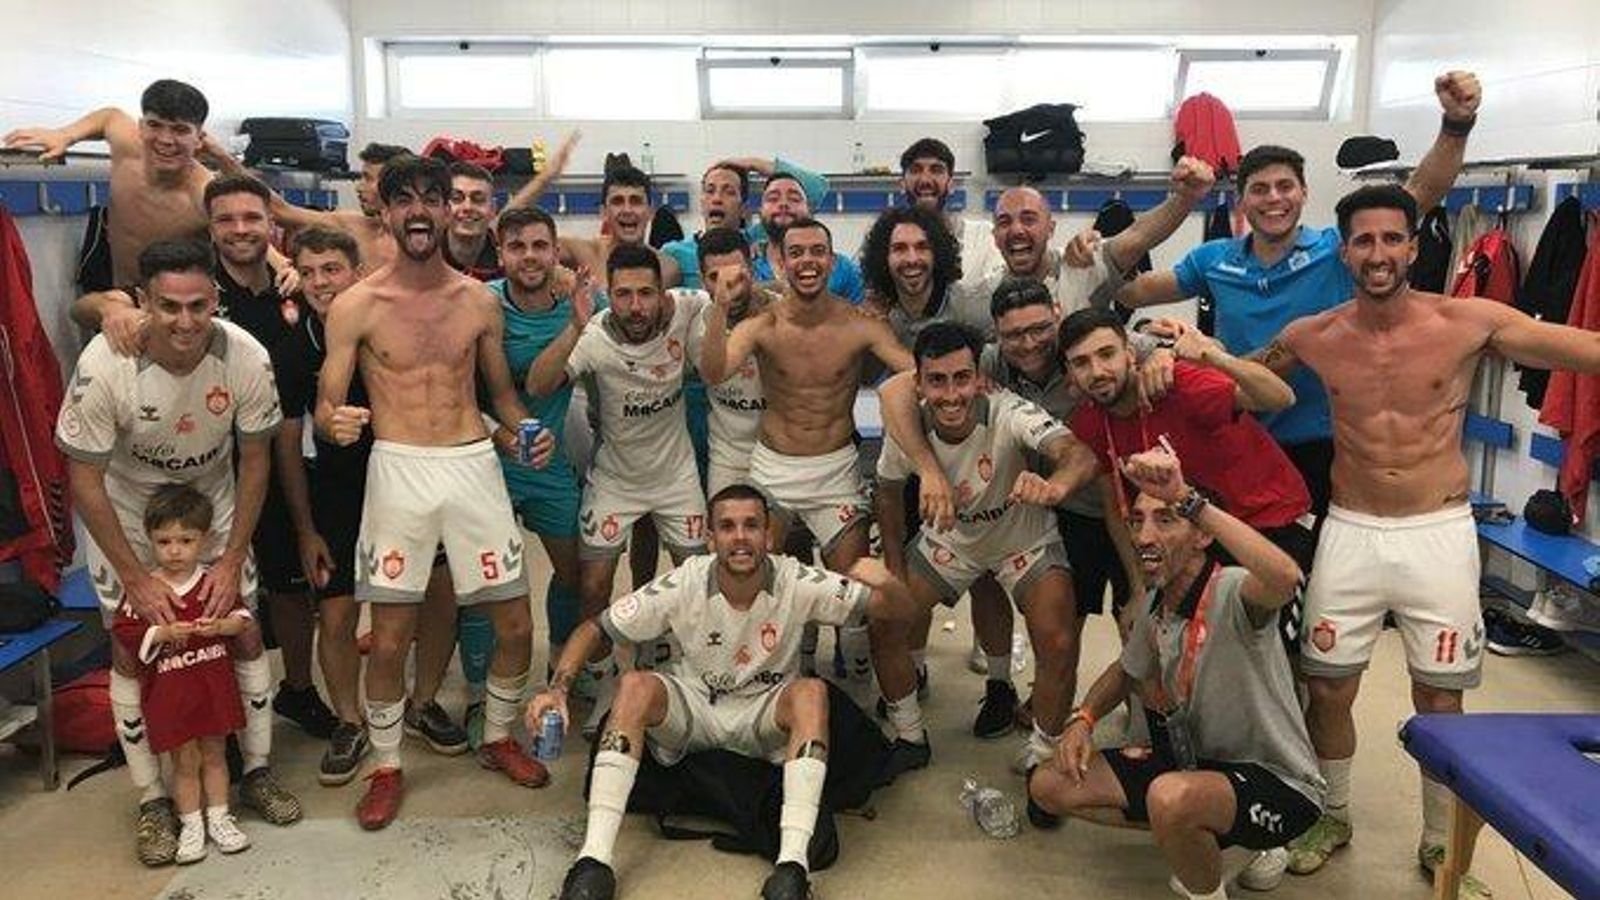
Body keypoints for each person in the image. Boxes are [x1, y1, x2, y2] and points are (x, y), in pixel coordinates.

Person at [1248, 184, 1600, 892]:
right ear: (1344, 249)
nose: (1378, 254)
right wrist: (1182, 356)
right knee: (1327, 689)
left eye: (1391, 239)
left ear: (1414, 245)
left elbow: (1582, 349)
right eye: (1363, 241)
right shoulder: (1315, 333)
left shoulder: (1469, 321)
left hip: (1438, 531)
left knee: (1441, 700)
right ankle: (1333, 812)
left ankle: (1442, 843)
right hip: (1350, 530)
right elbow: (1247, 374)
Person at [314, 155, 557, 830]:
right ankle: (387, 765)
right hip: (397, 471)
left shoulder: (479, 300)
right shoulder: (356, 305)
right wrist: (332, 423)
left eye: (433, 198)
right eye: (405, 200)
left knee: (515, 625)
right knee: (389, 640)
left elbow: (500, 396)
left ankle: (499, 735)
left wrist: (527, 430)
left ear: (452, 209)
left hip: (473, 465)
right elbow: (326, 405)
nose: (419, 210)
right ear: (385, 212)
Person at [1115, 72, 1482, 519]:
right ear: (1241, 200)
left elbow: (1421, 192)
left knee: (1317, 576)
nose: (1274, 198)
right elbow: (1129, 289)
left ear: (1304, 193)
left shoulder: (1337, 251)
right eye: (1260, 189)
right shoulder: (1213, 260)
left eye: (1285, 186)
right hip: (1240, 434)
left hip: (1323, 445)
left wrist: (1456, 124)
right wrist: (1093, 253)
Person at [528, 484, 919, 900]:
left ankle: (792, 869)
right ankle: (593, 863)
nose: (740, 537)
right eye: (727, 527)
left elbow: (900, 612)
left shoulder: (796, 578)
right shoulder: (684, 581)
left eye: (751, 526)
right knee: (634, 686)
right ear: (710, 538)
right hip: (696, 710)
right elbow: (596, 628)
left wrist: (889, 584)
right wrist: (558, 689)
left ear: (769, 535)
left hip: (762, 714)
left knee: (811, 692)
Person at [56, 239, 301, 867]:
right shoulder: (105, 362)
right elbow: (82, 476)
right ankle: (152, 802)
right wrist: (137, 578)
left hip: (213, 506)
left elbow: (254, 461)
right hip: (129, 514)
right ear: (143, 301)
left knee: (240, 634)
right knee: (133, 647)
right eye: (169, 307)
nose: (186, 321)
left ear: (216, 299)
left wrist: (228, 558)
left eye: (198, 305)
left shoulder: (244, 356)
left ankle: (258, 770)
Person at [1029, 447, 1321, 900]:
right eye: (1137, 521)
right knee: (1049, 785)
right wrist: (1083, 718)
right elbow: (1124, 672)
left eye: (1165, 520)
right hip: (1192, 766)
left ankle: (1210, 878)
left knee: (1170, 798)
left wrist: (1187, 497)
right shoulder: (1153, 603)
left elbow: (1284, 576)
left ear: (1201, 535)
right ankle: (1201, 837)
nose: (1145, 536)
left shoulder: (1231, 591)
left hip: (1276, 781)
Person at [874, 322, 1101, 774]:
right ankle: (909, 734)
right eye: (937, 380)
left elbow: (1081, 455)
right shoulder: (908, 428)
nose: (951, 394)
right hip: (951, 542)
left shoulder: (1009, 411)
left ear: (980, 378)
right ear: (918, 383)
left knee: (1058, 638)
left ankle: (1043, 755)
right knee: (884, 620)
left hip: (1023, 540)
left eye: (962, 378)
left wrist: (1054, 488)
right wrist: (895, 574)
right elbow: (886, 492)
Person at [699, 217, 913, 688]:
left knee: (853, 592)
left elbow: (917, 374)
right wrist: (719, 307)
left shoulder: (861, 325)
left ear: (831, 260)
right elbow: (714, 371)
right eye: (797, 253)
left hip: (835, 469)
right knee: (758, 582)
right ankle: (767, 680)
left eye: (817, 251)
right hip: (772, 468)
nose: (807, 261)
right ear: (782, 261)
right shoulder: (762, 324)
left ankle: (858, 684)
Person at [526, 242, 709, 730]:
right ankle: (605, 677)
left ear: (661, 292)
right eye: (623, 294)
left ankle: (686, 673)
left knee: (695, 580)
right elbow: (538, 386)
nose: (635, 306)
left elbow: (752, 300)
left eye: (645, 294)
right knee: (593, 586)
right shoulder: (593, 334)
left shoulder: (690, 305)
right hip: (615, 479)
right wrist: (573, 325)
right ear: (611, 294)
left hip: (676, 476)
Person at [1059, 307, 1316, 652]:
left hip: (1269, 523)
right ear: (1070, 375)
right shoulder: (1091, 424)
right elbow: (1117, 509)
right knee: (1193, 650)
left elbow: (1281, 397)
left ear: (1130, 354)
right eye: (1081, 363)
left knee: (1272, 655)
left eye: (1107, 354)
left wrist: (1211, 355)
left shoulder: (1178, 383)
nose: (1098, 371)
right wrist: (1138, 590)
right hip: (1199, 538)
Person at [467, 205, 587, 745]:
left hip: (551, 465)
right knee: (482, 582)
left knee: (573, 573)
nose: (530, 257)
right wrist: (505, 437)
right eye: (518, 247)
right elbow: (467, 394)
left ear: (555, 249)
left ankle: (561, 677)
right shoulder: (481, 304)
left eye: (540, 245)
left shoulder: (580, 304)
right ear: (501, 253)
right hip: (487, 463)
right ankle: (476, 692)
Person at [3, 79, 292, 291]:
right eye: (155, 126)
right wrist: (65, 135)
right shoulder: (128, 144)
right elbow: (109, 116)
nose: (165, 140)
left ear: (199, 138)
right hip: (117, 291)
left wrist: (279, 263)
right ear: (141, 126)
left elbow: (238, 225)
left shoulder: (202, 190)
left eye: (180, 130)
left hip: (175, 306)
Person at [271, 225, 374, 785]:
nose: (318, 283)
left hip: (398, 483)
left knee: (422, 602)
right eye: (307, 272)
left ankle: (410, 705)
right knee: (337, 611)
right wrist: (306, 529)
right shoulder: (294, 348)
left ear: (357, 272)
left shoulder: (384, 325)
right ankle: (349, 721)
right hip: (333, 493)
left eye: (330, 269)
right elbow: (288, 442)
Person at [112, 485, 253, 864]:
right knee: (183, 762)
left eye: (186, 540)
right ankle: (191, 824)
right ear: (150, 540)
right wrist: (161, 633)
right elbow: (125, 631)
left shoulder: (213, 582)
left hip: (212, 688)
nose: (175, 551)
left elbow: (241, 619)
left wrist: (221, 627)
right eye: (165, 541)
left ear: (203, 540)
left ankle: (220, 817)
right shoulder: (146, 591)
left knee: (216, 754)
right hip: (171, 694)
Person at [686, 226, 779, 497]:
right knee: (727, 536)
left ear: (751, 268)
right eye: (715, 277)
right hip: (728, 458)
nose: (728, 287)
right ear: (702, 281)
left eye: (736, 275)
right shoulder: (693, 326)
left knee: (785, 539)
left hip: (781, 453)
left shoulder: (784, 313)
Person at [264, 141, 411, 270]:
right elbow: (282, 212)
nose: (359, 187)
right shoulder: (354, 226)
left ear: (395, 185)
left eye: (368, 178)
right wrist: (240, 173)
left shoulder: (424, 243)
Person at [749, 174, 864, 302]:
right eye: (773, 198)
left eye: (794, 199)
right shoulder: (747, 266)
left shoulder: (843, 270)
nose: (783, 204)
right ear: (760, 211)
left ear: (809, 211)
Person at [444, 160, 504, 280]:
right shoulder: (422, 257)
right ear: (443, 206)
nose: (467, 207)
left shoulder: (506, 264)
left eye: (478, 199)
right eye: (457, 198)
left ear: (493, 209)